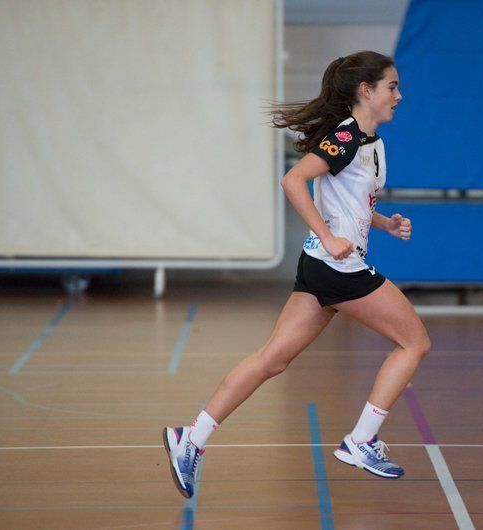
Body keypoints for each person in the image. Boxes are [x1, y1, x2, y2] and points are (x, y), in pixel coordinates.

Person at [163, 50, 430, 498]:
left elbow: (349, 200)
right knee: (415, 342)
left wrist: (383, 223)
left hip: (322, 267)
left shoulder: (372, 143)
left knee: (273, 359)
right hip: (338, 267)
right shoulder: (345, 137)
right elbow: (293, 181)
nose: (399, 96)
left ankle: (190, 438)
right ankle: (361, 440)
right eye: (392, 87)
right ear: (366, 91)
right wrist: (327, 236)